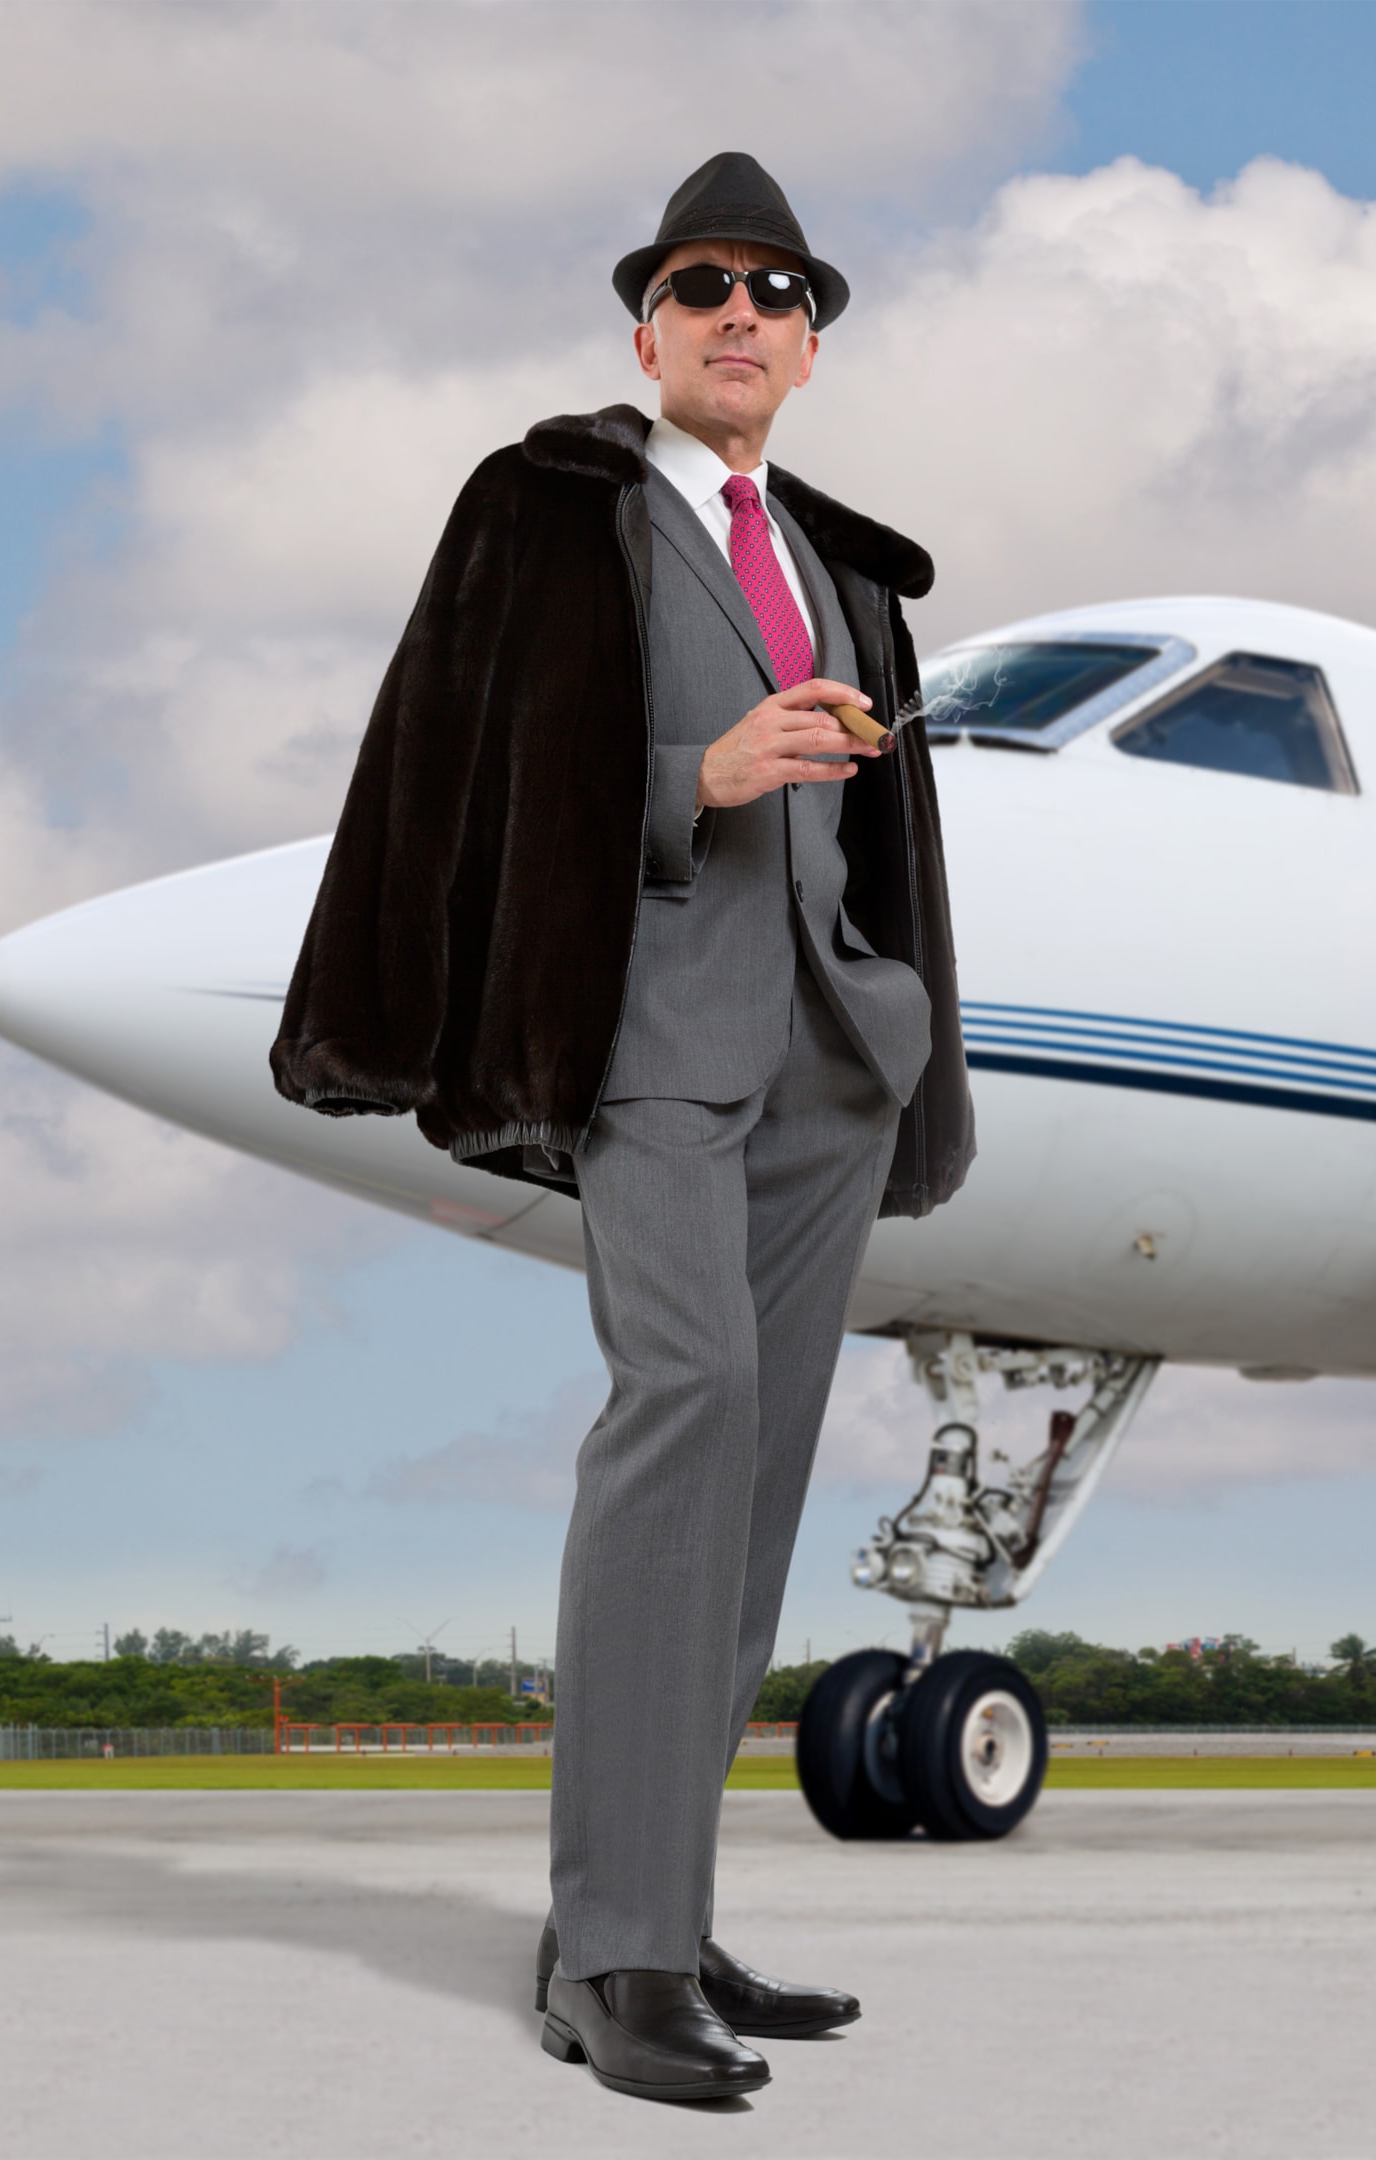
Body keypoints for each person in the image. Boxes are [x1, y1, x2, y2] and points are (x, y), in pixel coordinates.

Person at [271, 150, 971, 2104]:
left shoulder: (833, 560)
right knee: (678, 1418)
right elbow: (465, 755)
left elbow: (885, 828)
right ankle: (608, 1958)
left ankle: (670, 1907)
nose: (737, 312)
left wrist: (893, 1000)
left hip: (833, 1058)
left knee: (748, 1496)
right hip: (653, 1045)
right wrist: (700, 770)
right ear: (645, 327)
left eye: (774, 290)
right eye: (699, 284)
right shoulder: (554, 512)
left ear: (810, 343)